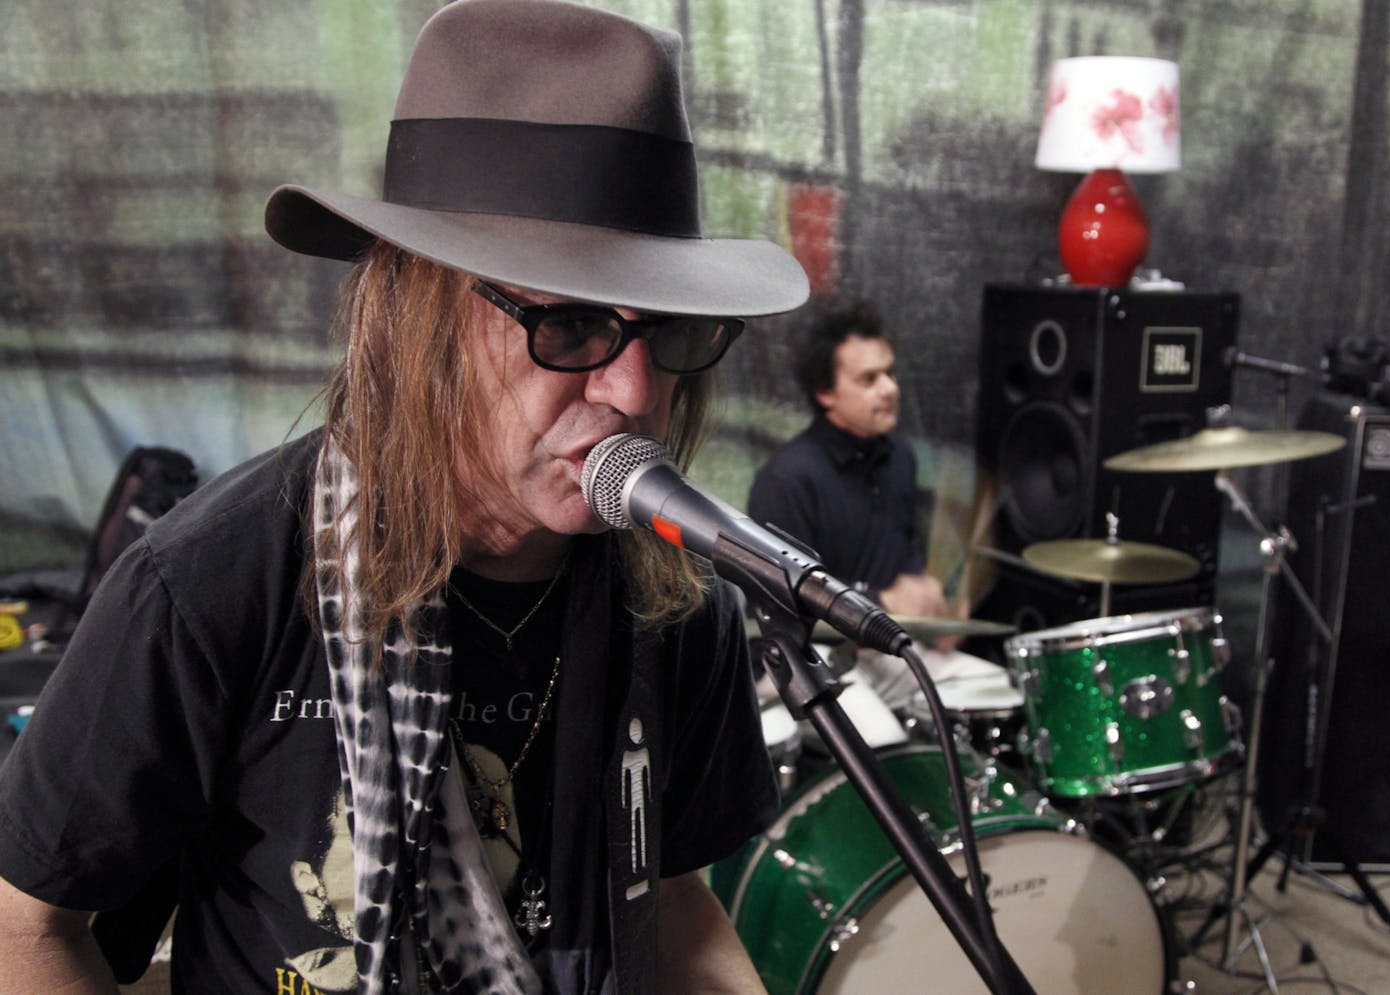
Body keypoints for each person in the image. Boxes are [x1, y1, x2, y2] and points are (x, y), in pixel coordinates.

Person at [0, 2, 809, 992]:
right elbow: (25, 927)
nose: (633, 390)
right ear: (417, 311)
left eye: (671, 333)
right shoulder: (211, 582)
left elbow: (673, 898)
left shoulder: (678, 600)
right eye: (575, 324)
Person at [748, 300, 950, 619]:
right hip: (817, 655)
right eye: (869, 379)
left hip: (892, 640)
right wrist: (880, 600)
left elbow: (903, 550)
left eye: (890, 373)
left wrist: (927, 596)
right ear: (825, 392)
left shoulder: (900, 456)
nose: (890, 389)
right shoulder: (785, 481)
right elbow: (780, 594)